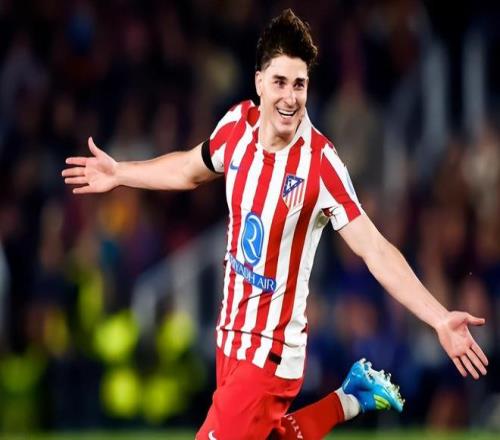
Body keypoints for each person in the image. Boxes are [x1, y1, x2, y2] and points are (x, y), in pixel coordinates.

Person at [62, 9, 488, 440]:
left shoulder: (320, 164)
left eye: (299, 84)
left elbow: (374, 248)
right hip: (229, 340)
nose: (290, 97)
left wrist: (438, 318)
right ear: (259, 82)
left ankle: (349, 399)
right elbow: (189, 169)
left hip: (271, 353)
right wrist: (120, 173)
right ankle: (351, 398)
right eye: (280, 82)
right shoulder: (236, 126)